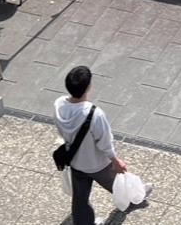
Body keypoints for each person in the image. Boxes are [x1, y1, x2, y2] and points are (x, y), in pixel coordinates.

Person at [56, 65, 150, 225]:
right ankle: (134, 197)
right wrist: (116, 161)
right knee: (115, 182)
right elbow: (105, 142)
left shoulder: (59, 105)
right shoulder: (94, 114)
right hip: (97, 163)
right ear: (88, 87)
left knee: (80, 200)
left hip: (76, 162)